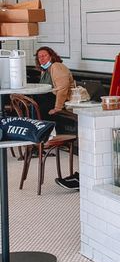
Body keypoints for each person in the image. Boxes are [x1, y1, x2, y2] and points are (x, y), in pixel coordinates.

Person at [33, 47, 78, 191]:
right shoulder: (44, 71)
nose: (42, 59)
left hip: (62, 102)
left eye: (44, 55)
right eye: (39, 57)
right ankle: (40, 138)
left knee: (37, 103)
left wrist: (58, 107)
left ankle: (41, 137)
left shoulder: (56, 67)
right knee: (35, 102)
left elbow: (62, 88)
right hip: (50, 101)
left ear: (52, 56)